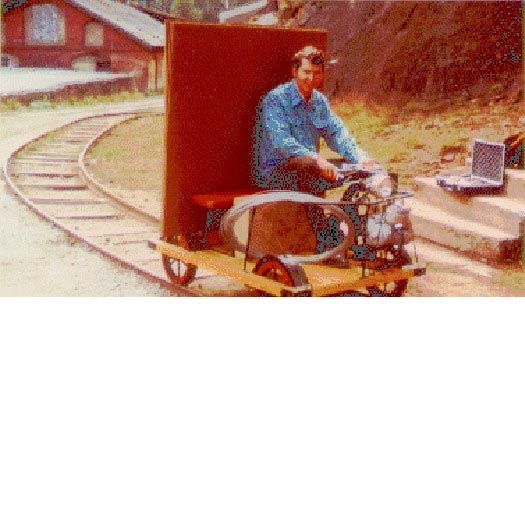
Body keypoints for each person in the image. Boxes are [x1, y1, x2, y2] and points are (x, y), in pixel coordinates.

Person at [253, 45, 380, 197]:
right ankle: (314, 211)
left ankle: (346, 211)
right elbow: (281, 142)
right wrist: (317, 160)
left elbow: (338, 135)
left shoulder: (319, 101)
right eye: (306, 72)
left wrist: (361, 159)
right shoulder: (276, 99)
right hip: (275, 173)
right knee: (309, 166)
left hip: (310, 168)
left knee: (364, 168)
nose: (311, 79)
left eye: (317, 73)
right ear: (295, 72)